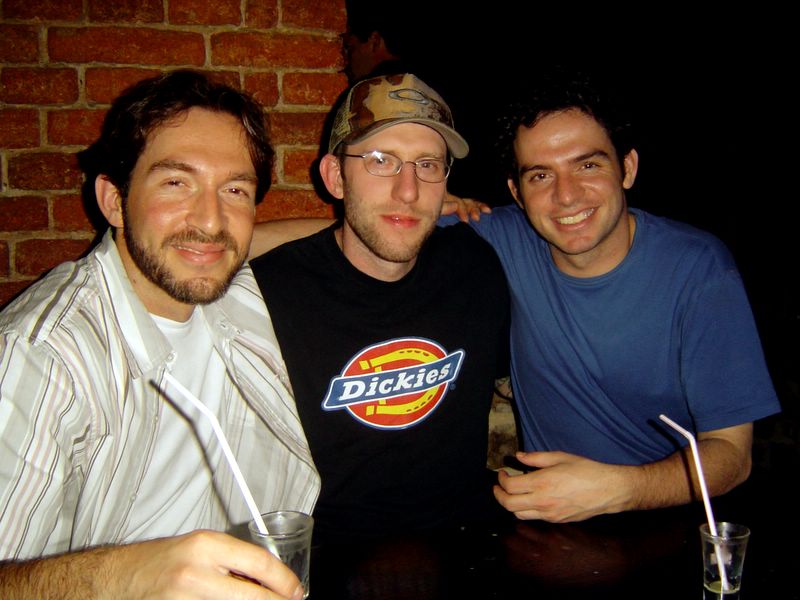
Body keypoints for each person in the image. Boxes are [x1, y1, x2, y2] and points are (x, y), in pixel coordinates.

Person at [0, 70, 319, 600]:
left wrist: (408, 214)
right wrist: (126, 576)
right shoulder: (44, 356)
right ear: (114, 200)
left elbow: (292, 239)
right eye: (176, 182)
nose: (211, 222)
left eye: (234, 190)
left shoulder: (233, 290)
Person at [441, 68, 781, 523]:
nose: (566, 196)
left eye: (588, 165)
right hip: (550, 526)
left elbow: (733, 457)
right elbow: (364, 229)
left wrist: (620, 489)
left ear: (628, 168)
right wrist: (423, 201)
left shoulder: (698, 269)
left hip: (665, 516)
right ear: (517, 193)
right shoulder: (505, 238)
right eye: (540, 175)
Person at [249, 73, 511, 543]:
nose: (408, 190)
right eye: (380, 161)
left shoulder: (479, 265)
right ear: (335, 176)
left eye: (427, 164)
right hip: (326, 552)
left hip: (467, 544)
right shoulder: (267, 294)